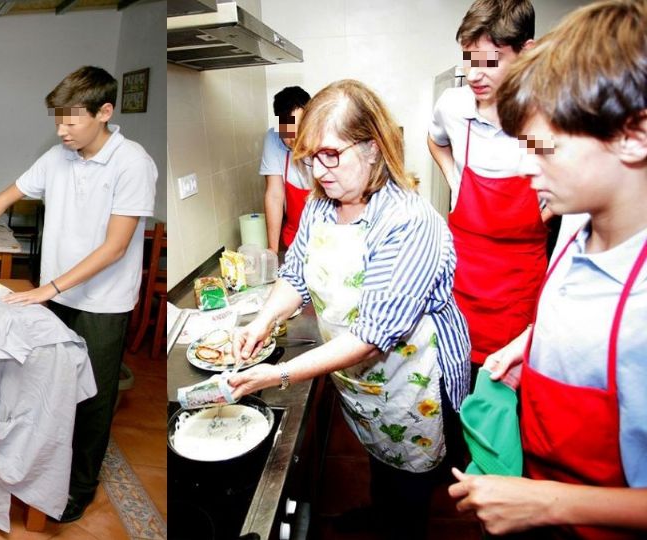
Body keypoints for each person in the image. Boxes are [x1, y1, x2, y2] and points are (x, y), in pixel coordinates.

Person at [229, 80, 470, 539]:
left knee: (410, 487)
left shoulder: (409, 222)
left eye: (331, 155)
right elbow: (296, 274)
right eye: (310, 157)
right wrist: (263, 318)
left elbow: (371, 336)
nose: (318, 172)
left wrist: (276, 375)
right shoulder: (323, 207)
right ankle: (382, 517)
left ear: (374, 148)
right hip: (362, 385)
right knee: (381, 464)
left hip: (411, 386)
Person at [448, 1, 647, 537]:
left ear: (633, 135)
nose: (526, 165)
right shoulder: (576, 223)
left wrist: (550, 504)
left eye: (544, 147)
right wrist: (532, 341)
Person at [0, 66, 156, 523]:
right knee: (47, 389)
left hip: (103, 304)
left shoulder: (133, 164)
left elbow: (116, 246)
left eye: (72, 121)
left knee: (92, 399)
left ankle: (80, 487)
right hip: (55, 298)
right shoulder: (56, 157)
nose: (62, 131)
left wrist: (48, 288)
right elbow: (5, 197)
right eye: (57, 120)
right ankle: (41, 471)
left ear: (104, 112)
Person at [427, 0, 553, 369]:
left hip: (519, 277)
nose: (475, 74)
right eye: (468, 58)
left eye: (491, 59)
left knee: (511, 379)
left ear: (526, 52)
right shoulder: (454, 107)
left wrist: (547, 211)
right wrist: (454, 179)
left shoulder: (543, 114)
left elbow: (565, 166)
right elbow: (435, 141)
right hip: (463, 266)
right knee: (457, 368)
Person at [259, 86, 312, 252]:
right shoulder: (274, 141)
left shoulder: (324, 140)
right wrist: (272, 252)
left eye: (297, 129)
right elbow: (275, 196)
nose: (292, 139)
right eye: (286, 129)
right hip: (294, 238)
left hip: (326, 237)